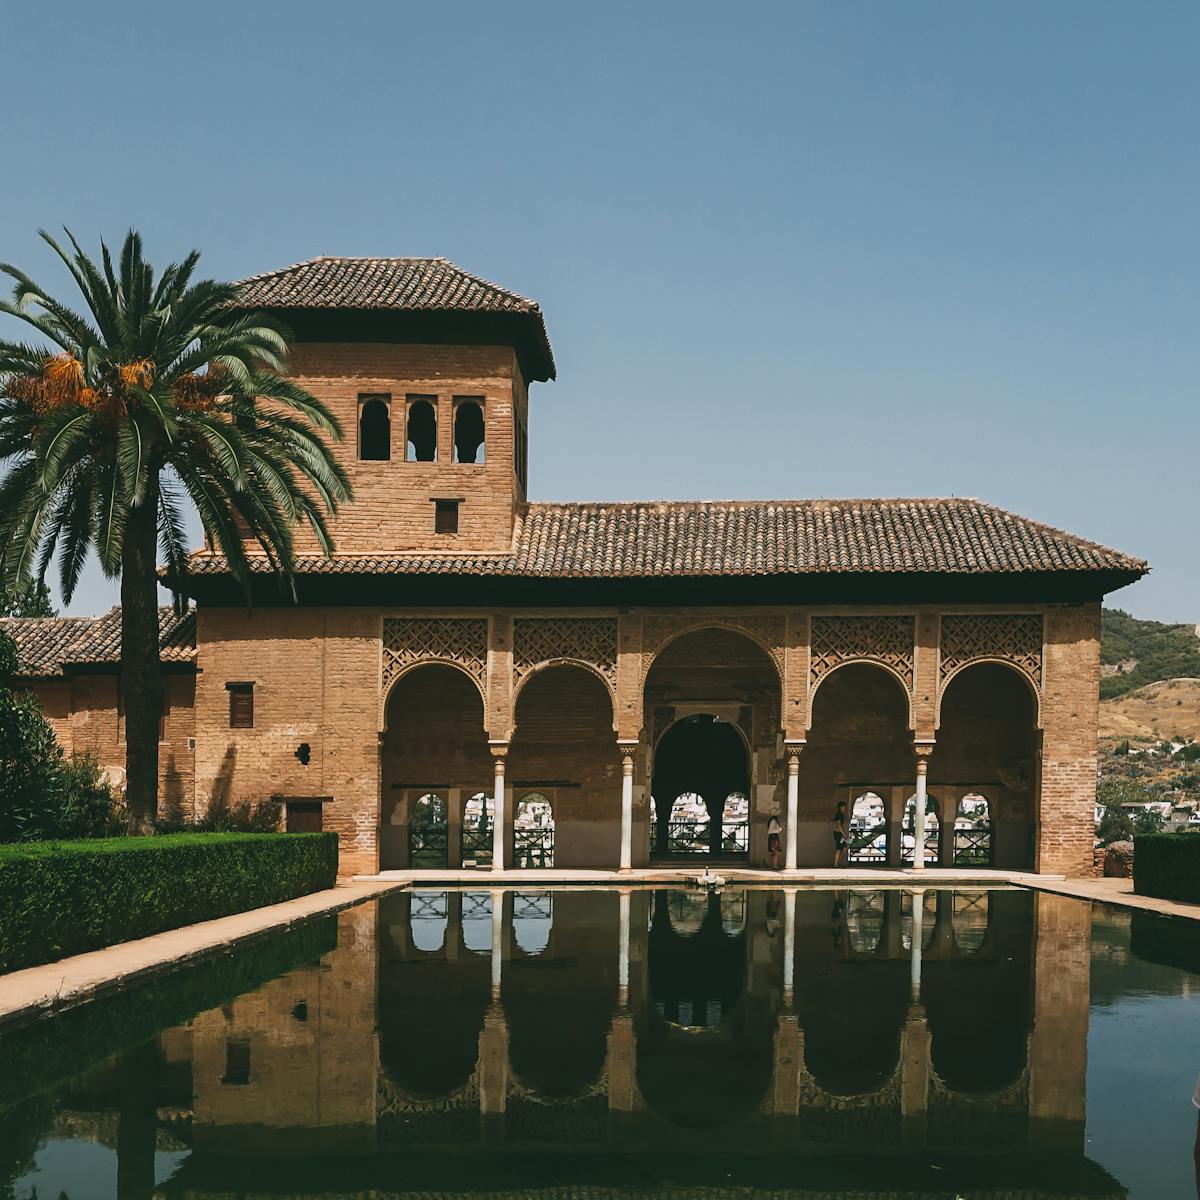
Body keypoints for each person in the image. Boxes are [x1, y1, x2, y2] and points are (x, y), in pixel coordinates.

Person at [832, 799, 849, 867]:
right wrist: (844, 834)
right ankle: (836, 863)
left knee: (844, 848)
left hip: (840, 834)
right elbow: (839, 825)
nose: (845, 808)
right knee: (839, 849)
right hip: (838, 834)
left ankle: (837, 862)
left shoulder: (840, 814)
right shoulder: (839, 814)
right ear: (841, 807)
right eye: (844, 807)